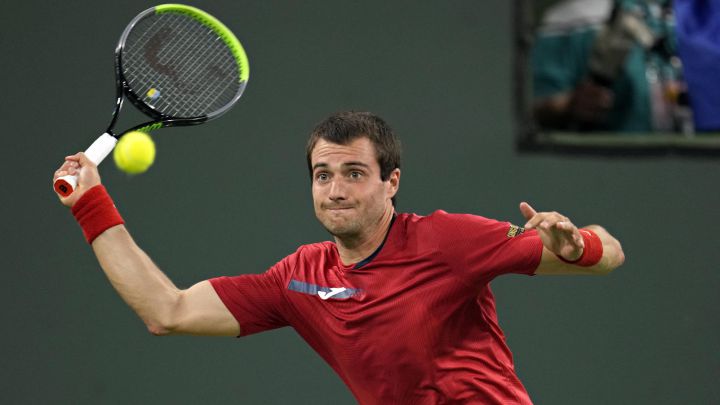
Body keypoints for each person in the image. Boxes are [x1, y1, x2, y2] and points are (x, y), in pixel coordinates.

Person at [53, 111, 625, 404]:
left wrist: (578, 245)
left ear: (391, 182)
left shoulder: (448, 241)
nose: (335, 190)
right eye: (322, 175)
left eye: (354, 173)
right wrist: (91, 205)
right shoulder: (299, 279)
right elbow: (168, 310)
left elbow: (608, 255)